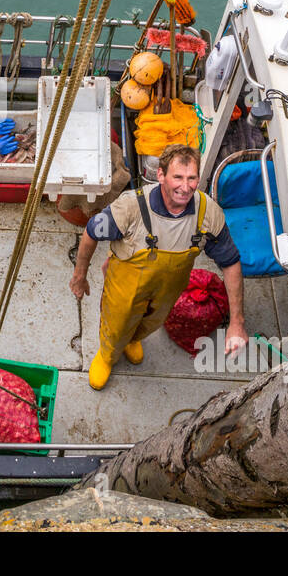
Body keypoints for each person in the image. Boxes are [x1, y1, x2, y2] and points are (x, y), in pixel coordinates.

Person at [70, 143, 245, 390]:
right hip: (125, 286)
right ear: (160, 175)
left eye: (192, 178)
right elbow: (90, 233)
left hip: (168, 289)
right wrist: (80, 276)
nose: (185, 187)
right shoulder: (130, 207)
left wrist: (237, 323)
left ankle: (133, 339)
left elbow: (230, 262)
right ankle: (108, 355)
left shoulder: (208, 213)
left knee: (152, 321)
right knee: (117, 323)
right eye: (178, 177)